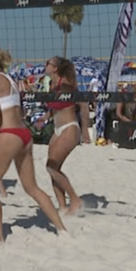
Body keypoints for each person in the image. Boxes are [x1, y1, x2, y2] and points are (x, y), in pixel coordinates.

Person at [0, 46, 67, 242]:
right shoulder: (11, 79)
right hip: (24, 134)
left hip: (9, 134)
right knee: (32, 188)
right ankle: (62, 230)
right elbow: (19, 112)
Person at [42, 57, 90, 215]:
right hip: (57, 127)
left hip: (70, 127)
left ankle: (75, 199)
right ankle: (62, 206)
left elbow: (83, 105)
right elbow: (53, 107)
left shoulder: (65, 84)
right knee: (52, 168)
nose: (45, 65)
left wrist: (85, 130)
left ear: (55, 68)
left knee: (52, 166)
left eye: (48, 63)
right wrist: (45, 117)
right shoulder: (51, 85)